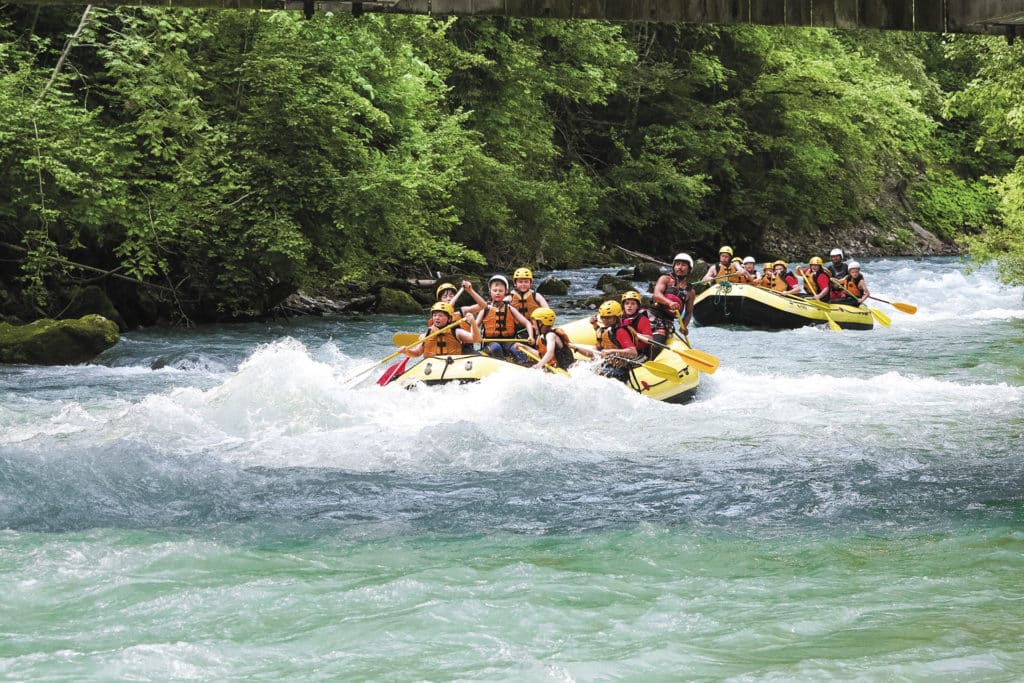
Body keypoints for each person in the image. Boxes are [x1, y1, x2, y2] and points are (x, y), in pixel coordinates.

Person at [574, 300, 639, 383]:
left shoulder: (621, 331)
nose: (604, 320)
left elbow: (633, 352)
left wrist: (610, 351)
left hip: (620, 371)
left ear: (616, 317)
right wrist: (575, 348)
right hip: (606, 366)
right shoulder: (603, 332)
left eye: (608, 318)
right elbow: (593, 353)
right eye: (602, 317)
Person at [476, 274, 534, 363]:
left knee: (517, 351)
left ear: (505, 292)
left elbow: (527, 323)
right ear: (490, 292)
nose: (497, 293)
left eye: (500, 291)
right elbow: (475, 326)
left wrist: (530, 336)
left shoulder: (510, 308)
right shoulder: (485, 309)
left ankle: (524, 366)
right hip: (490, 342)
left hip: (509, 341)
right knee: (496, 348)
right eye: (495, 290)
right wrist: (476, 336)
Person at [402, 302, 480, 358]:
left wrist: (472, 322)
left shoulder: (456, 332)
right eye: (435, 315)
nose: (437, 318)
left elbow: (476, 339)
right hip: (433, 366)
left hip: (452, 364)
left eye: (440, 315)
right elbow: (417, 353)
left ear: (449, 319)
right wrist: (406, 351)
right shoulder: (428, 333)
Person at [651, 253, 696, 345]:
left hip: (667, 321)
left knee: (658, 342)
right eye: (677, 264)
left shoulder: (691, 292)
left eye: (683, 265)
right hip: (652, 314)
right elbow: (656, 295)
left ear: (689, 269)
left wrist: (684, 326)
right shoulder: (665, 279)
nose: (679, 267)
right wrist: (669, 302)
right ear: (674, 266)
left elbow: (688, 312)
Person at [508, 267, 549, 333]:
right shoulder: (510, 296)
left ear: (530, 283)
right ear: (515, 283)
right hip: (516, 328)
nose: (523, 284)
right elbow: (501, 305)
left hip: (534, 327)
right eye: (520, 282)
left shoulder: (536, 295)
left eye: (526, 282)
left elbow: (547, 309)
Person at [618, 290, 653, 359]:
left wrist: (634, 333)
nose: (629, 306)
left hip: (640, 352)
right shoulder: (619, 317)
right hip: (623, 350)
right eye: (627, 303)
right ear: (623, 306)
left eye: (633, 304)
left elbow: (650, 339)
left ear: (637, 306)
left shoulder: (642, 319)